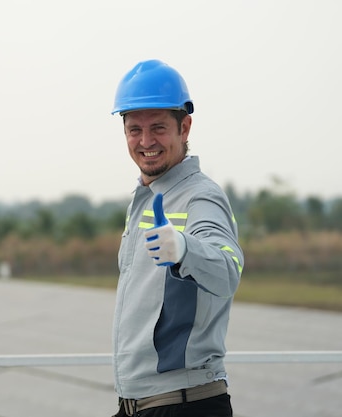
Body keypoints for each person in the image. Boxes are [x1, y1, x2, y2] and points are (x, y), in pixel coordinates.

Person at [109, 59, 244, 417]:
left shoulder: (201, 196)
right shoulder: (145, 198)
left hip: (185, 404)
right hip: (139, 404)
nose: (146, 141)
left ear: (185, 127)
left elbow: (228, 269)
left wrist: (186, 249)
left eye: (158, 128)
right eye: (134, 129)